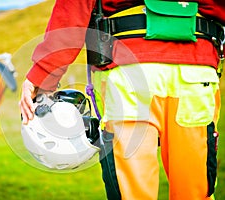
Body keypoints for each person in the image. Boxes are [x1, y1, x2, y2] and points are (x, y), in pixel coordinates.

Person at [19, 0, 225, 199]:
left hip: (127, 74)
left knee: (131, 194)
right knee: (195, 193)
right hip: (196, 74)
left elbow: (74, 7)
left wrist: (43, 74)